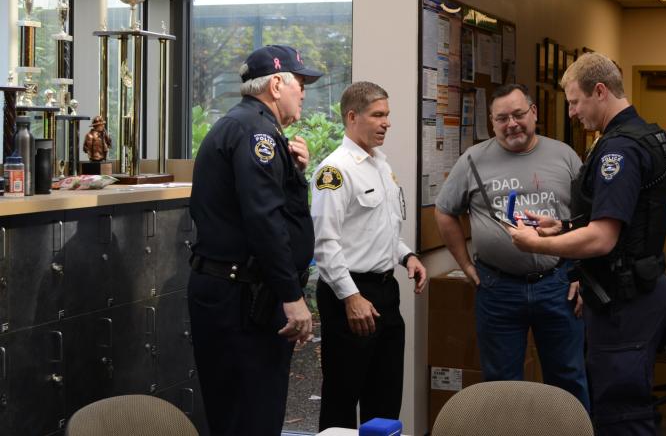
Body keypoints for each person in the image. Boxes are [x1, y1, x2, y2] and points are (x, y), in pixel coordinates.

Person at [507, 53, 666, 435]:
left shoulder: (620, 151)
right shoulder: (647, 135)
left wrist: (536, 244)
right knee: (619, 404)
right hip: (633, 290)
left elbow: (603, 238)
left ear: (600, 91)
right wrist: (561, 227)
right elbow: (625, 220)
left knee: (621, 414)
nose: (570, 112)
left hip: (626, 300)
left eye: (574, 101)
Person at [188, 44, 323, 436]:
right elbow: (264, 221)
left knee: (251, 413)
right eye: (300, 82)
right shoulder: (256, 132)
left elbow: (274, 208)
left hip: (240, 294)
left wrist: (296, 172)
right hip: (241, 299)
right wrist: (292, 296)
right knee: (250, 418)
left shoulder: (251, 125)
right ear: (277, 84)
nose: (304, 92)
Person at [434, 83, 590, 410]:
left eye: (518, 114)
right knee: (502, 386)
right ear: (492, 122)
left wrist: (581, 272)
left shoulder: (564, 156)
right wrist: (465, 265)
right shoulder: (473, 160)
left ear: (534, 113)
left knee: (568, 379)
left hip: (557, 285)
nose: (512, 124)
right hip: (498, 288)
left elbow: (588, 218)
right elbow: (445, 211)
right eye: (502, 118)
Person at [312, 81, 427, 430]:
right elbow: (326, 243)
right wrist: (351, 297)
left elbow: (382, 229)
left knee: (386, 392)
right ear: (352, 117)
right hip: (349, 293)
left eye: (387, 115)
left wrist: (407, 256)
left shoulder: (379, 164)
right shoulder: (334, 170)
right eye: (378, 115)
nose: (386, 123)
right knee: (343, 396)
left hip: (384, 292)